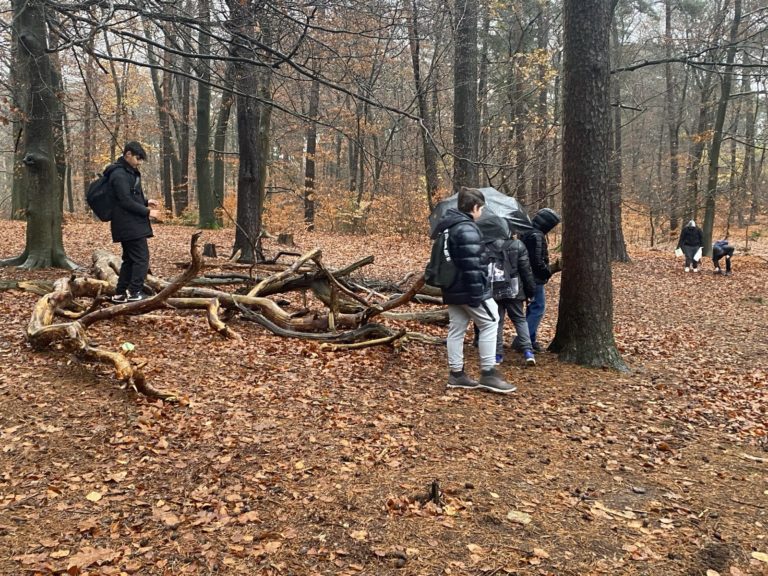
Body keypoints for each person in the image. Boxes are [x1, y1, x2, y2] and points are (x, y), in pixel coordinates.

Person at [432, 187, 516, 394]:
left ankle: (457, 374)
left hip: (451, 287)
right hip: (468, 288)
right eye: (481, 209)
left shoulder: (447, 227)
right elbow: (471, 265)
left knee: (457, 328)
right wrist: (478, 293)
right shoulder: (466, 229)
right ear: (475, 207)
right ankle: (488, 373)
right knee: (491, 321)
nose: (481, 213)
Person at [479, 216, 538, 367]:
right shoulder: (518, 245)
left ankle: (498, 355)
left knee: (497, 321)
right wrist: (531, 292)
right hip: (514, 289)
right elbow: (526, 271)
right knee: (519, 319)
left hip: (492, 290)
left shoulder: (485, 246)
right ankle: (528, 352)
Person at [110, 142, 161, 303]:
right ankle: (134, 292)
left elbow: (130, 197)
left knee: (130, 259)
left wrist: (146, 201)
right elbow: (124, 201)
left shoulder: (128, 172)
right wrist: (148, 212)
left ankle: (119, 294)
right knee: (141, 258)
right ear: (128, 154)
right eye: (137, 158)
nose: (139, 162)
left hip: (130, 223)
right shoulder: (119, 174)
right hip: (127, 224)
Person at [515, 207, 561, 352]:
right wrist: (546, 272)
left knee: (532, 308)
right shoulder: (536, 236)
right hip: (534, 278)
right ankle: (524, 340)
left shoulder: (526, 232)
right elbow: (537, 261)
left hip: (525, 276)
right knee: (537, 308)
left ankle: (531, 339)